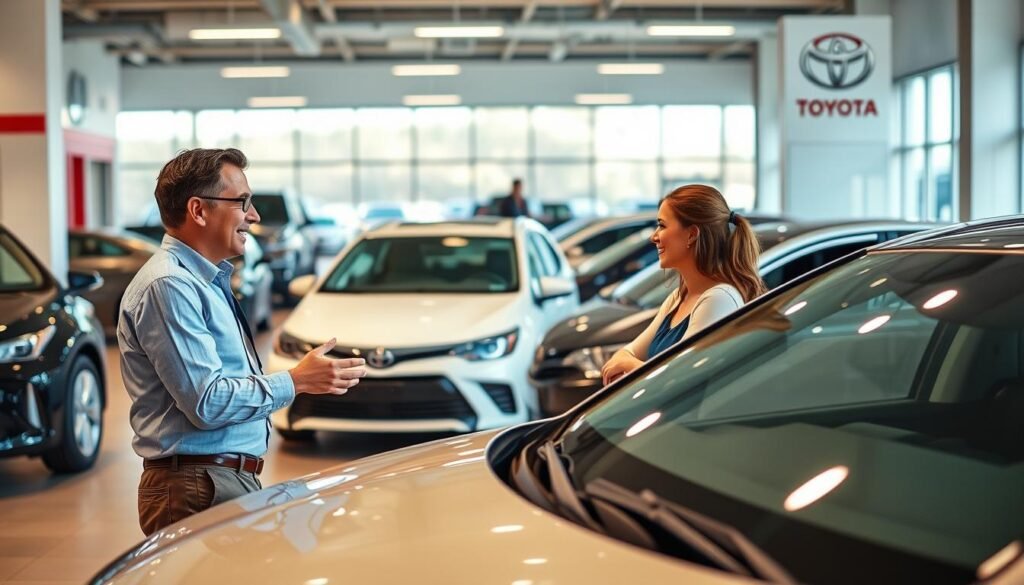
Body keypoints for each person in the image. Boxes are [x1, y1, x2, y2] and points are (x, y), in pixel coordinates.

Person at [118, 148, 367, 536]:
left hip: (216, 480)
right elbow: (207, 401)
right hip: (197, 487)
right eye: (242, 202)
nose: (254, 216)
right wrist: (296, 380)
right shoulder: (170, 286)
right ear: (198, 211)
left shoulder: (203, 281)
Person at [600, 184, 765, 385]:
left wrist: (629, 366)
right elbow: (628, 352)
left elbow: (679, 382)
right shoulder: (679, 297)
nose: (654, 237)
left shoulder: (719, 299)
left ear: (692, 234)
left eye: (662, 225)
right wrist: (628, 362)